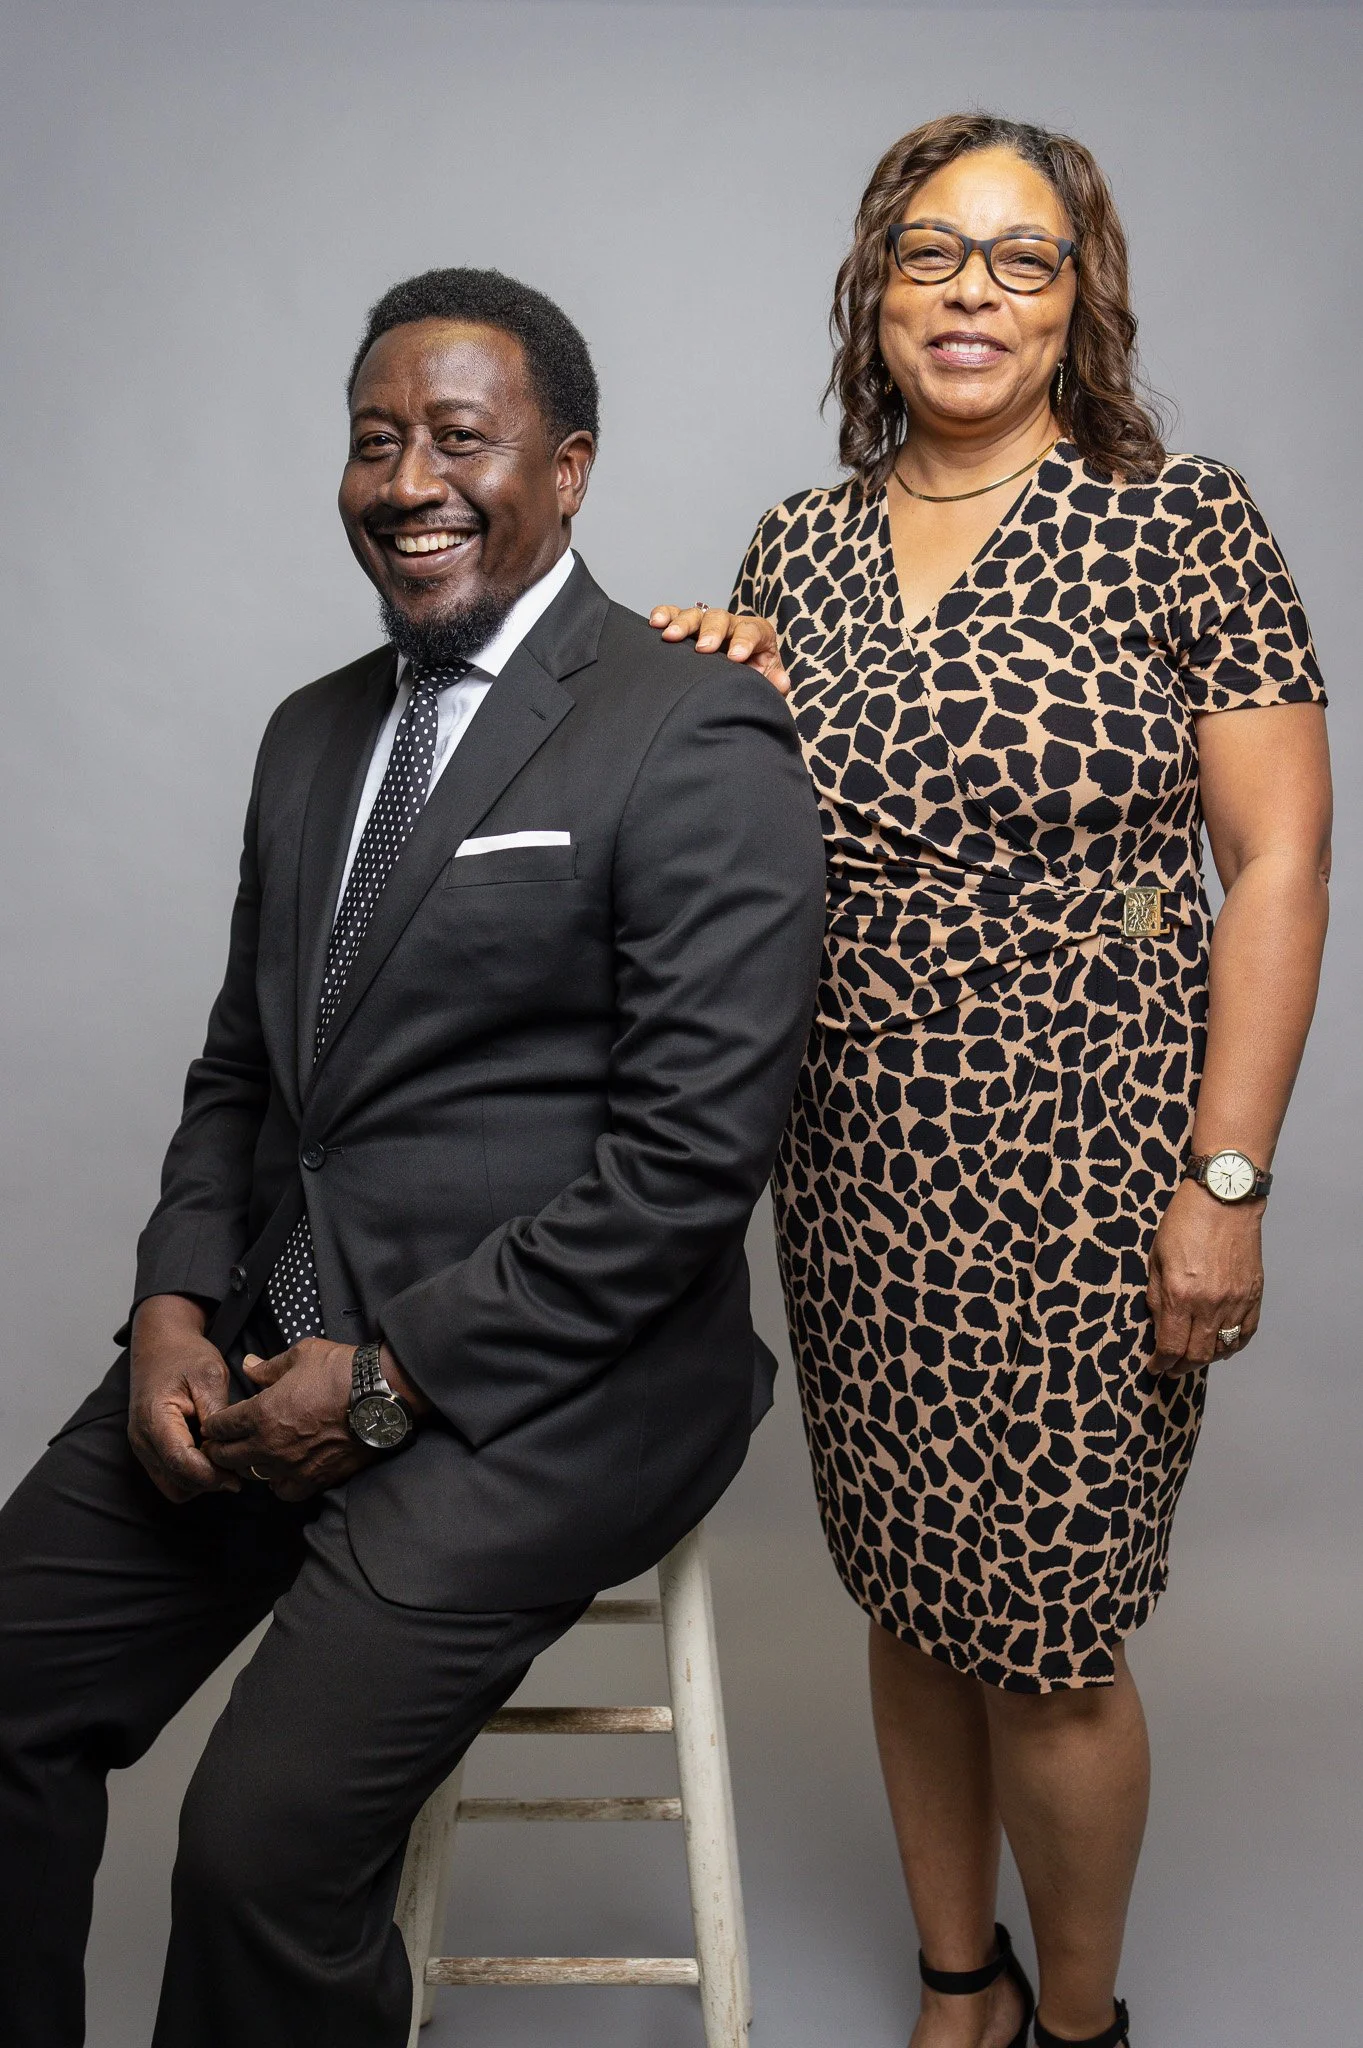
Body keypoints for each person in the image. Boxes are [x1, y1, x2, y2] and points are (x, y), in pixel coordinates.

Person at [0, 267, 826, 2048]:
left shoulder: (693, 729)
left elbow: (690, 1166)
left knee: (251, 1857)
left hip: (543, 1393)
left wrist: (380, 1382)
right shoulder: (311, 738)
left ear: (571, 469)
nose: (409, 481)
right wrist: (165, 1298)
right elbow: (243, 1072)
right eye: (377, 441)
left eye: (463, 437)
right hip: (257, 1340)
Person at [651, 113, 1331, 2048]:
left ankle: (1081, 2023)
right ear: (874, 291)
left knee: (1043, 1635)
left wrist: (1224, 1181)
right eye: (931, 255)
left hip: (1089, 1154)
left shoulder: (1179, 518)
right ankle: (962, 1982)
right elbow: (739, 831)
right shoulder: (796, 543)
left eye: (1020, 260)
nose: (971, 293)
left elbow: (1275, 861)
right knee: (904, 1587)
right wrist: (711, 682)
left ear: (1077, 300)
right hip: (852, 1148)